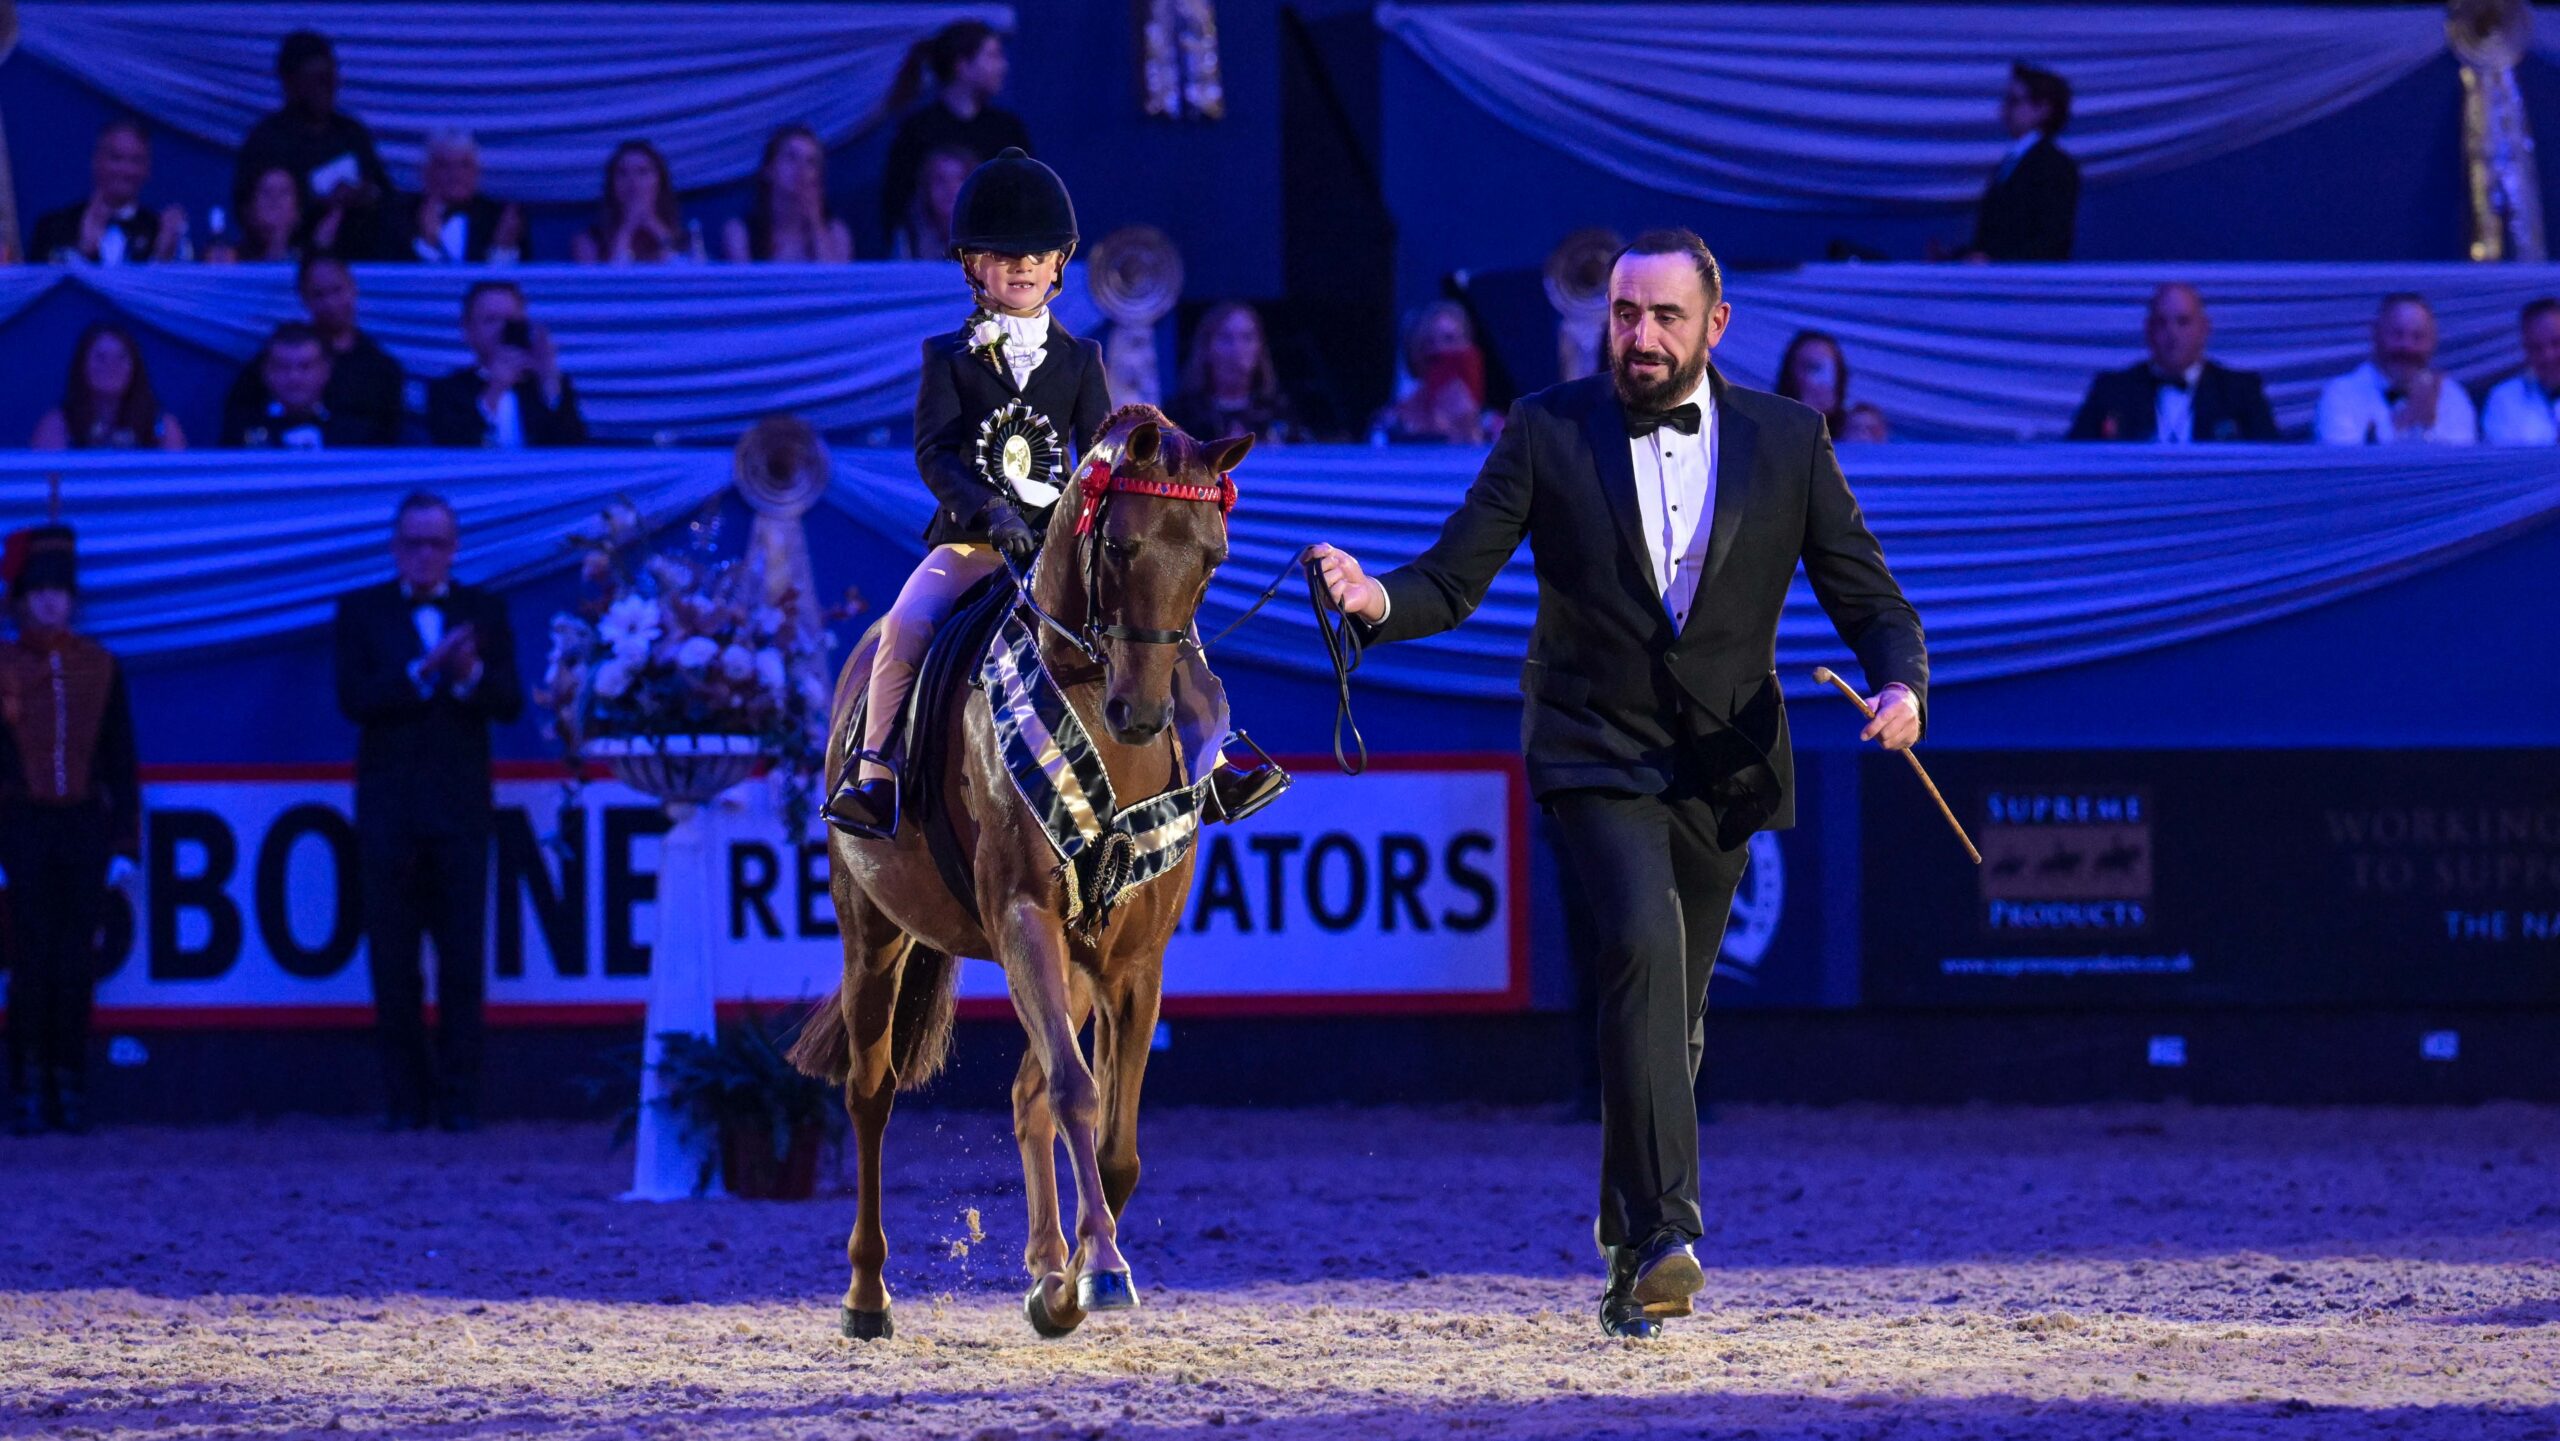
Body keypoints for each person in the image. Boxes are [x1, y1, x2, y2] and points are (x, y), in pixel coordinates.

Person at [1308, 228, 1928, 1340]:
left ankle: (1624, 1247)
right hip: (1592, 745)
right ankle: (1669, 1231)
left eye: (1664, 317)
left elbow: (1869, 597)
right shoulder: (1546, 427)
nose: (1639, 335)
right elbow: (1452, 577)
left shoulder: (1790, 439)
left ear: (1716, 325)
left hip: (1724, 763)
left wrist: (1901, 686)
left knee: (1672, 1015)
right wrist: (1374, 599)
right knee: (1641, 946)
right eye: (1624, 313)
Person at [822, 149, 1283, 838]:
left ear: (1059, 264)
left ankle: (1212, 765)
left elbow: (1100, 448)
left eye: (1037, 256)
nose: (1023, 267)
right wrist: (989, 511)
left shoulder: (1081, 359)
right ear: (973, 266)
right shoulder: (946, 358)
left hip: (1061, 550)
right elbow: (934, 454)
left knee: (1171, 626)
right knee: (906, 625)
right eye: (1004, 256)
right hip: (970, 545)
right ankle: (876, 775)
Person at [333, 492, 522, 1132]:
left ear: (454, 548)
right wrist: (424, 670)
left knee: (463, 961)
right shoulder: (361, 611)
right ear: (396, 548)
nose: (424, 555)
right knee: (393, 962)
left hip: (461, 814)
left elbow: (509, 702)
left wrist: (467, 675)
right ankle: (406, 1101)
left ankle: (460, 1100)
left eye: (436, 543)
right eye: (413, 543)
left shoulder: (483, 611)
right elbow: (354, 699)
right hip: (388, 815)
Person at [0, 524, 140, 1135]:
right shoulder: (4, 667)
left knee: (77, 959)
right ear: (21, 599)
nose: (52, 602)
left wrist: (124, 842)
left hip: (82, 824)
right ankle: (27, 1084)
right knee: (29, 958)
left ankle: (70, 1080)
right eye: (40, 591)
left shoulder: (100, 667)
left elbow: (121, 759)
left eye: (60, 591)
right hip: (21, 824)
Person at [233, 30, 393, 259]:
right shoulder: (267, 140)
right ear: (290, 83)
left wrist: (363, 194)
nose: (325, 89)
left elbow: (385, 193)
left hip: (358, 257)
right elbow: (246, 211)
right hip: (290, 259)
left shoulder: (351, 133)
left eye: (329, 79)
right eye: (315, 81)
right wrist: (318, 204)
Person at [222, 256, 407, 446]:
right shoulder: (267, 363)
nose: (294, 377)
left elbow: (389, 443)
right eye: (319, 294)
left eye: (337, 290)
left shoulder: (381, 369)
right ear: (303, 297)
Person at [879, 20, 1030, 245]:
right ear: (962, 65)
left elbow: (1028, 197)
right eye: (993, 56)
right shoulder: (918, 130)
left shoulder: (1007, 129)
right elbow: (898, 205)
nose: (1003, 66)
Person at [2068, 284, 2279, 442]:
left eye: (2183, 322)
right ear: (2148, 330)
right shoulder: (2112, 390)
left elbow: (2270, 461)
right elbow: (2075, 458)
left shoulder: (2240, 392)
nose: (2172, 334)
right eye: (2162, 323)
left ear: (2204, 329)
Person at [426, 281, 589, 448]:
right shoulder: (447, 390)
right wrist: (495, 390)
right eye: (491, 320)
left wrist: (549, 381)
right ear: (468, 330)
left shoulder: (549, 385)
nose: (502, 329)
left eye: (511, 320)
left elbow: (575, 450)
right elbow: (452, 447)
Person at [2315, 293, 2477, 444]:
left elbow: (2462, 462)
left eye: (2417, 337)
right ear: (2376, 335)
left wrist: (2425, 429)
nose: (2407, 347)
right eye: (2397, 335)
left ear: (2433, 342)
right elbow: (2344, 462)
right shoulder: (2341, 394)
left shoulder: (2451, 396)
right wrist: (2407, 419)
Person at [28, 119, 186, 265]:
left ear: (147, 168)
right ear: (96, 161)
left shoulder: (158, 231)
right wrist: (82, 252)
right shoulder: (54, 227)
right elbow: (39, 282)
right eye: (116, 158)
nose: (126, 170)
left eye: (136, 161)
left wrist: (162, 257)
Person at [1964, 62, 2078, 261]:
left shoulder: (2054, 166)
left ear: (2043, 109)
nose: (2003, 111)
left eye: (2013, 101)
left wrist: (1994, 260)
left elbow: (2051, 241)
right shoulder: (2012, 161)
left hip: (2024, 277)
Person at [30, 325, 187, 451]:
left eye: (121, 357)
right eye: (100, 358)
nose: (111, 366)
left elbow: (178, 478)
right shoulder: (58, 425)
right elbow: (44, 479)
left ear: (135, 368)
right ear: (82, 366)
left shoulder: (162, 426)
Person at [222, 322, 374, 449]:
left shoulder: (357, 433)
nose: (294, 377)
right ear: (266, 372)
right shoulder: (240, 431)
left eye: (305, 367)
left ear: (326, 370)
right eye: (282, 367)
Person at [383, 131, 524, 264]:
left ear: (477, 171)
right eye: (444, 166)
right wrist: (427, 244)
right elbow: (387, 272)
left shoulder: (499, 217)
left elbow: (519, 275)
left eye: (464, 165)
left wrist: (501, 249)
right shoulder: (398, 216)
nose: (455, 174)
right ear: (426, 171)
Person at [1169, 301, 1301, 444]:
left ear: (1259, 348)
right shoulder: (1181, 415)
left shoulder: (1279, 411)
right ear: (1206, 349)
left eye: (1247, 338)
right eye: (1226, 338)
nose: (1237, 349)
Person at [723, 125, 853, 263]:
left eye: (810, 162)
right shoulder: (740, 232)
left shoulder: (836, 232)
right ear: (769, 169)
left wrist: (815, 222)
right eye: (791, 157)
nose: (801, 169)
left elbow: (833, 276)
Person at [1375, 301, 1495, 444]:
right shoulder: (1392, 422)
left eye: (1449, 339)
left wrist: (1469, 431)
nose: (1439, 349)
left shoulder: (1495, 426)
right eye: (1429, 341)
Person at [571, 140, 694, 264]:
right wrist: (627, 228)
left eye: (642, 172)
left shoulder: (687, 240)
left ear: (659, 181)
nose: (633, 182)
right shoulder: (588, 242)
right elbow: (613, 275)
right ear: (612, 184)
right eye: (622, 173)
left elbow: (682, 271)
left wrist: (654, 225)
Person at [205, 165, 329, 264]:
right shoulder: (229, 260)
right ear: (249, 209)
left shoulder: (311, 262)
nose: (275, 199)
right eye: (266, 192)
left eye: (284, 192)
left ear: (298, 210)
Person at [2479, 298, 2560, 444]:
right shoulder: (2504, 400)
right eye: (2536, 347)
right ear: (2525, 350)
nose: (2548, 356)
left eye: (2556, 343)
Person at [889, 143, 976, 260]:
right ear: (926, 187)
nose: (950, 189)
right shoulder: (909, 238)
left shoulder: (992, 236)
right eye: (940, 180)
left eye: (959, 179)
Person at [1772, 329, 1853, 434]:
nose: (1822, 379)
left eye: (1829, 368)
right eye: (1812, 367)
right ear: (1791, 372)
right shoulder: (1769, 422)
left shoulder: (1854, 427)